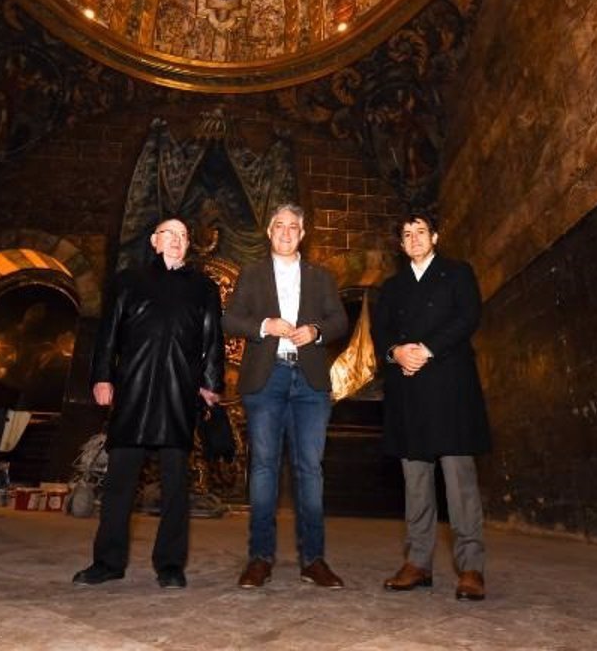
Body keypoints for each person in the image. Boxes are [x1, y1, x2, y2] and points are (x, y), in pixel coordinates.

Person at [72, 217, 224, 589]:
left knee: (176, 484)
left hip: (179, 392)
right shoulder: (128, 280)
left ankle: (170, 565)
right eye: (168, 235)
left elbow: (212, 338)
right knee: (121, 481)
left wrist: (209, 384)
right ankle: (108, 561)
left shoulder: (203, 287)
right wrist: (102, 376)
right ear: (155, 241)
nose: (176, 241)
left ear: (189, 246)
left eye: (183, 236)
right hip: (134, 390)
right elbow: (108, 333)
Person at [223, 203, 349, 589]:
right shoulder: (252, 274)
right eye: (279, 226)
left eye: (293, 226)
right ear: (269, 231)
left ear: (302, 233)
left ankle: (314, 560)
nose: (286, 232)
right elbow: (229, 318)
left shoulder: (321, 276)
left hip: (309, 383)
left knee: (310, 470)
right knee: (263, 468)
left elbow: (340, 321)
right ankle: (260, 558)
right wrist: (264, 325)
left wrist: (315, 331)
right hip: (267, 380)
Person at [372, 213, 492, 601]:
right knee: (417, 483)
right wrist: (396, 352)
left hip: (451, 387)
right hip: (409, 391)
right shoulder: (391, 288)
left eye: (420, 231)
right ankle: (418, 563)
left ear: (435, 236)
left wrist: (425, 349)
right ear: (401, 244)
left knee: (460, 483)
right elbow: (381, 333)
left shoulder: (457, 273)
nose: (414, 238)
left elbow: (467, 317)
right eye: (406, 234)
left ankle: (471, 567)